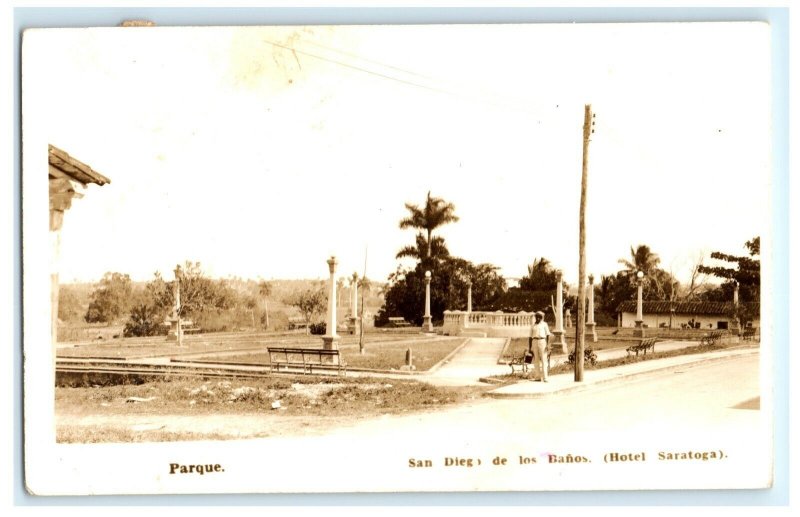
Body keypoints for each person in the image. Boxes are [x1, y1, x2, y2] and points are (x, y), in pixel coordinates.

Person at [529, 310, 552, 382]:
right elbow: (530, 337)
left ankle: (545, 377)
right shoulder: (533, 325)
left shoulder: (544, 324)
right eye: (537, 317)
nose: (538, 318)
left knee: (543, 360)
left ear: (542, 318)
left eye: (539, 317)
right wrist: (530, 347)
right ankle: (537, 377)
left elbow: (548, 335)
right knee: (536, 360)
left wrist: (548, 345)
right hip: (534, 341)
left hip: (542, 341)